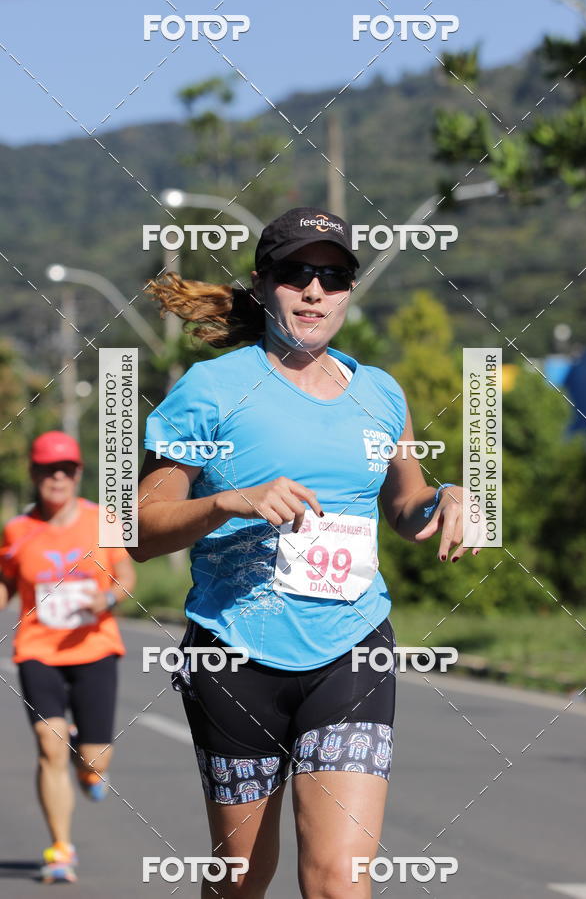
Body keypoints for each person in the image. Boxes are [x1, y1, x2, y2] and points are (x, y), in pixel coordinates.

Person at [132, 206, 479, 898]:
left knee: (337, 883)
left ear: (350, 289)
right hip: (234, 653)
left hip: (351, 647)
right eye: (297, 273)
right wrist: (231, 500)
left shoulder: (380, 394)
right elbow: (138, 531)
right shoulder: (212, 390)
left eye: (334, 274)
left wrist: (448, 500)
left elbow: (407, 507)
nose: (316, 289)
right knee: (241, 879)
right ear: (263, 286)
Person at [0, 430, 136, 884]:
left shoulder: (104, 521)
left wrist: (109, 602)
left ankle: (88, 763)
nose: (56, 478)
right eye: (46, 469)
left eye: (65, 469)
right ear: (34, 474)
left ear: (77, 474)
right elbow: (5, 580)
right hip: (37, 649)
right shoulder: (17, 530)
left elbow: (125, 576)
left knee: (95, 761)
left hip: (94, 648)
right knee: (47, 745)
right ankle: (61, 848)